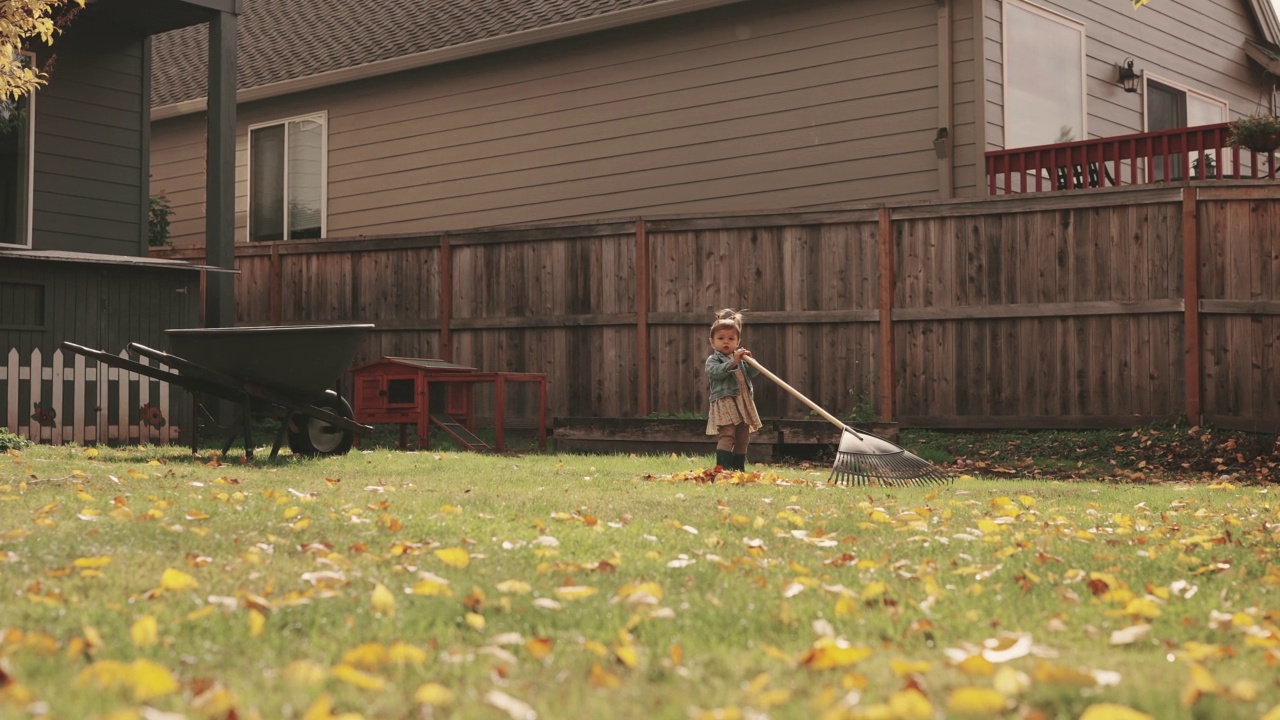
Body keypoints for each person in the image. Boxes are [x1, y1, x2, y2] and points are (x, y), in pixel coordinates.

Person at [705, 308, 762, 471]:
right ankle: (722, 468)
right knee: (728, 434)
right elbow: (715, 373)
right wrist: (733, 362)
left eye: (731, 339)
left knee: (743, 437)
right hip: (725, 403)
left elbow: (753, 373)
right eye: (721, 338)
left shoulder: (741, 358)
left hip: (743, 403)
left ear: (738, 342)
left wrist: (751, 362)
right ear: (712, 342)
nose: (726, 342)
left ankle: (738, 468)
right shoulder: (713, 360)